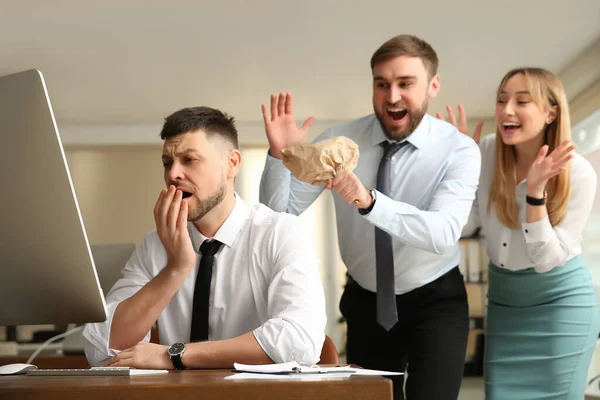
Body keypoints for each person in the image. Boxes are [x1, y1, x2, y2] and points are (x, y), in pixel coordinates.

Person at [259, 34, 481, 400]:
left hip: (435, 300)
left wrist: (369, 202)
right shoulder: (340, 139)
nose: (392, 96)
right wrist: (280, 156)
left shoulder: (458, 149)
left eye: (405, 83)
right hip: (366, 301)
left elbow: (444, 233)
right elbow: (278, 215)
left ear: (433, 85)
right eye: (382, 84)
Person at [83, 106, 327, 370]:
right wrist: (176, 268)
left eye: (189, 160)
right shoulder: (155, 245)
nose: (172, 175)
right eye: (167, 163)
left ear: (231, 164)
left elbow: (299, 341)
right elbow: (100, 350)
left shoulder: (281, 233)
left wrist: (175, 355)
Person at [447, 67, 599, 399]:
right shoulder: (486, 152)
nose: (507, 110)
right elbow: (466, 224)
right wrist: (456, 170)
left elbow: (548, 260)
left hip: (561, 306)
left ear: (551, 112)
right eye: (501, 100)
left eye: (521, 101)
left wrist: (534, 193)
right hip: (505, 303)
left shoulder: (579, 173)